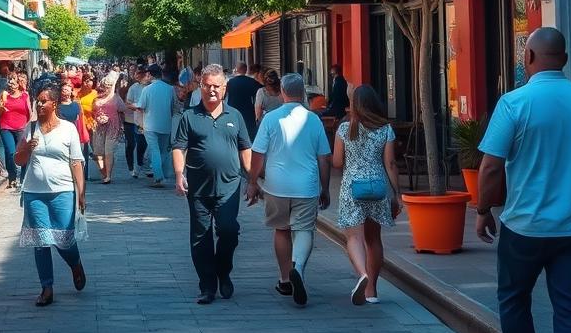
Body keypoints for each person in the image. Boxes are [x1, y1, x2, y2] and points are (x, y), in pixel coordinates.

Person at [475, 27, 571, 333]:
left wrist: (483, 209)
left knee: (514, 301)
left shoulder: (514, 103)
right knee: (570, 309)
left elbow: (490, 167)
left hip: (525, 227)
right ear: (564, 59)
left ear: (528, 58)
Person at [245, 74, 331, 307]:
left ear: (282, 92)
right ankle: (299, 268)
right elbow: (324, 158)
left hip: (276, 185)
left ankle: (285, 279)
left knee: (281, 230)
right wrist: (325, 187)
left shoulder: (271, 119)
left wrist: (253, 181)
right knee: (304, 230)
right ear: (303, 92)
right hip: (307, 185)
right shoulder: (313, 120)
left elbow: (258, 154)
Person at [172, 63, 252, 304]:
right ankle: (207, 285)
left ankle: (223, 271)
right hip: (198, 187)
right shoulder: (190, 116)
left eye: (217, 86)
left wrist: (253, 179)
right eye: (207, 86)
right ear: (201, 86)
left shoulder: (234, 116)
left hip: (229, 187)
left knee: (229, 230)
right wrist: (179, 174)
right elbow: (179, 147)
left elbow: (245, 148)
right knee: (200, 237)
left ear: (225, 88)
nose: (212, 90)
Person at [15, 82, 87, 307]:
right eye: (37, 100)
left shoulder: (68, 129)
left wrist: (81, 192)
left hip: (62, 191)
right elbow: (18, 160)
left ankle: (75, 263)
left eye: (43, 100)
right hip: (34, 192)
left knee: (63, 239)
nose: (39, 103)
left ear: (54, 103)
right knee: (41, 241)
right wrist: (26, 148)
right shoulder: (31, 128)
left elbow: (76, 162)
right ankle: (46, 287)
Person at [333, 84, 402, 305]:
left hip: (352, 188)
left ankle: (362, 274)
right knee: (374, 240)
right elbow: (390, 163)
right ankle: (371, 290)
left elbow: (336, 162)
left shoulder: (345, 129)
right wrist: (397, 194)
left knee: (354, 237)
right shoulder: (385, 130)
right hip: (378, 188)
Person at [137, 64, 175, 188]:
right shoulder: (170, 89)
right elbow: (174, 106)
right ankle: (164, 174)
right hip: (166, 123)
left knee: (155, 150)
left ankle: (158, 177)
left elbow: (141, 106)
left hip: (150, 125)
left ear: (150, 75)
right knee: (164, 150)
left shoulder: (147, 89)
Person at [0, 72, 31, 190]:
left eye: (13, 81)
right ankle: (12, 178)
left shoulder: (25, 95)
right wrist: (0, 108)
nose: (10, 83)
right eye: (9, 80)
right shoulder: (4, 94)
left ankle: (23, 178)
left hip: (21, 128)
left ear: (18, 84)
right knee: (11, 152)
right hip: (6, 126)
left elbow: (29, 113)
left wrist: (29, 127)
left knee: (22, 152)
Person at [91, 77, 126, 184]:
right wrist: (98, 118)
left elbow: (122, 109)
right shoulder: (96, 98)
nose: (106, 88)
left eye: (108, 86)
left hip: (113, 127)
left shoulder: (116, 98)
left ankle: (108, 176)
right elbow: (93, 112)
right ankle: (103, 172)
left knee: (108, 151)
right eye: (104, 85)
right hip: (99, 128)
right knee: (98, 152)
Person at [123, 67, 148, 178]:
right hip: (132, 120)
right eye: (135, 73)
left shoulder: (150, 87)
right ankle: (132, 167)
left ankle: (141, 164)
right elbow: (128, 103)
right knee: (131, 144)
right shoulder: (133, 87)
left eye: (139, 73)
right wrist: (137, 107)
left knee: (142, 144)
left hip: (146, 120)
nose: (136, 75)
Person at [225, 61, 260, 139]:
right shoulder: (252, 82)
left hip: (232, 110)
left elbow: (224, 96)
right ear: (246, 69)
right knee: (249, 135)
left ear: (237, 69)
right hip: (248, 112)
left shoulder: (230, 82)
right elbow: (260, 92)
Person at [76, 73, 98, 180]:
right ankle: (84, 172)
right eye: (86, 80)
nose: (88, 83)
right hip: (81, 124)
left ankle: (101, 171)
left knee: (96, 148)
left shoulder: (95, 93)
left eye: (90, 80)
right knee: (83, 149)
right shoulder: (78, 94)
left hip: (92, 123)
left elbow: (98, 108)